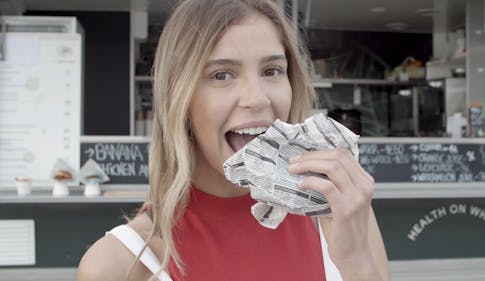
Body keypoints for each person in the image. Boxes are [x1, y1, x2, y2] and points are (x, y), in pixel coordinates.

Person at [78, 0, 390, 280]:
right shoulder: (119, 265)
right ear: (180, 98)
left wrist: (357, 263)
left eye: (272, 70)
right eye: (222, 75)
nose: (258, 99)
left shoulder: (338, 209)